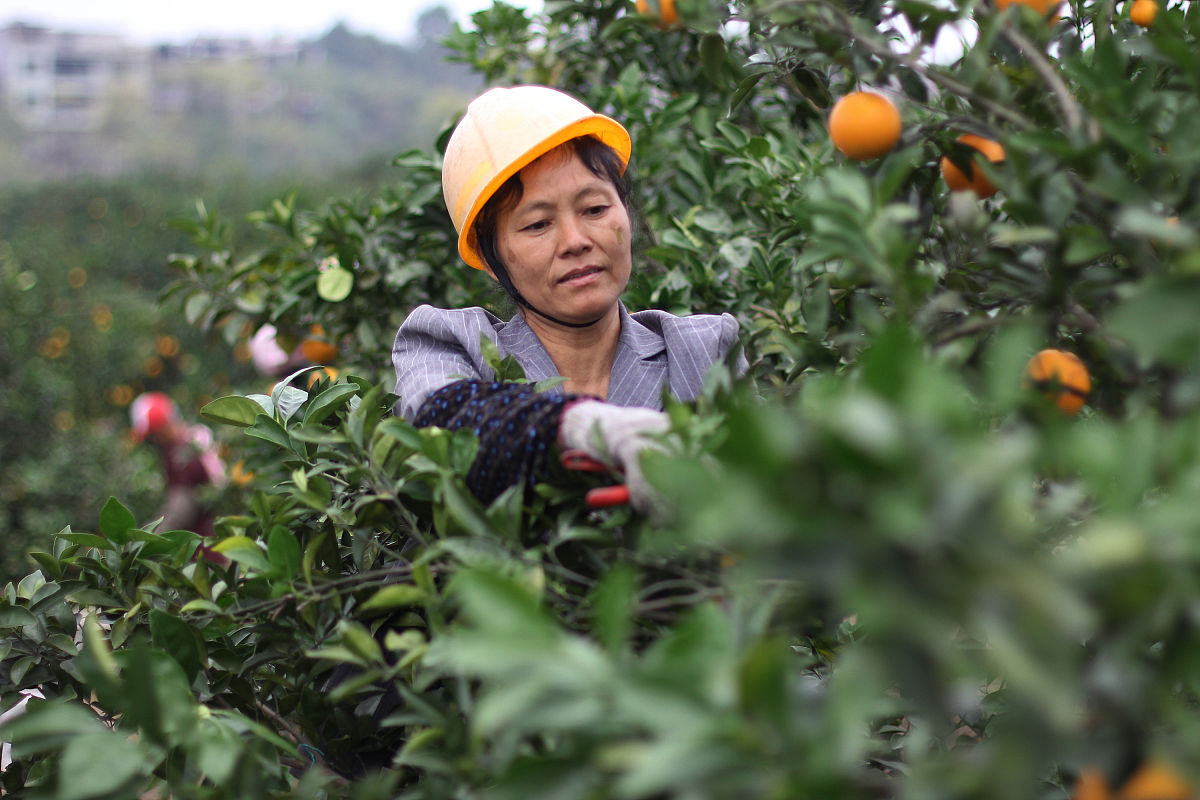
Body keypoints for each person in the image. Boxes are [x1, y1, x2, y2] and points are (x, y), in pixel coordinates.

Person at [391, 85, 744, 514]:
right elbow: (445, 419)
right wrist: (588, 428)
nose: (576, 241)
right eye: (538, 224)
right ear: (489, 254)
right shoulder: (451, 343)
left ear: (626, 214)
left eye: (595, 209)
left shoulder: (706, 350)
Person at [130, 391, 226, 540]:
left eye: (155, 434)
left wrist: (150, 538)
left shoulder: (180, 455)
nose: (155, 440)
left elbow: (183, 505)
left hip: (205, 546)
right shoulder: (197, 435)